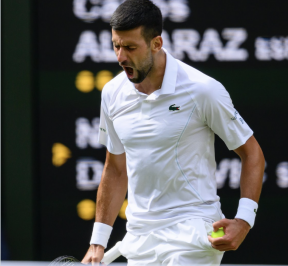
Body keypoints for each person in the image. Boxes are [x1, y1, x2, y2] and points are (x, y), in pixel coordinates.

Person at [82, 0, 265, 265]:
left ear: (157, 44)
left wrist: (244, 220)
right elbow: (115, 169)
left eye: (130, 47)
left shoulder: (203, 90)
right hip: (140, 237)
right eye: (116, 46)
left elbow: (252, 153)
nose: (121, 57)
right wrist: (97, 243)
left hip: (194, 232)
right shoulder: (111, 93)